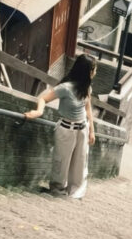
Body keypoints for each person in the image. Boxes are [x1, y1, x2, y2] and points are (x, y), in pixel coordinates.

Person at [25, 54, 95, 198]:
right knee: (61, 162)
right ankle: (57, 190)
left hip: (82, 129)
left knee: (79, 164)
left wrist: (92, 131)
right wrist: (39, 111)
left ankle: (75, 193)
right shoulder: (65, 88)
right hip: (66, 129)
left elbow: (87, 110)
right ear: (86, 71)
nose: (95, 73)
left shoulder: (86, 88)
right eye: (93, 70)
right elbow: (43, 98)